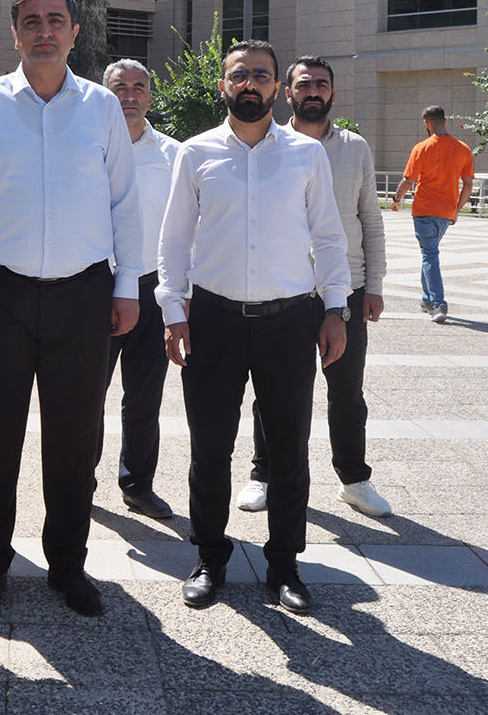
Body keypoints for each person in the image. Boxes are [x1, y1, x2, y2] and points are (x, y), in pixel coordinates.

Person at [0, 0, 142, 619]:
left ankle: (67, 565)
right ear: (15, 33)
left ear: (74, 33)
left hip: (83, 292)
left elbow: (124, 202)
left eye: (55, 20)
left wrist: (127, 285)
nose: (44, 31)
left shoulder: (101, 107)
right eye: (31, 21)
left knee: (74, 440)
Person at [157, 40, 350, 616]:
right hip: (212, 320)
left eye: (261, 76)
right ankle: (210, 558)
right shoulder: (195, 153)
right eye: (239, 75)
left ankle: (284, 564)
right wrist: (173, 312)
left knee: (289, 450)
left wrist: (335, 309)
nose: (250, 84)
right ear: (223, 85)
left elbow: (329, 236)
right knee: (209, 448)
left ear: (277, 88)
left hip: (289, 322)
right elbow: (174, 239)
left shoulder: (305, 155)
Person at [235, 57, 392, 520]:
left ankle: (354, 480)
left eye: (321, 85)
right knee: (273, 391)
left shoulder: (354, 148)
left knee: (347, 392)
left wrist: (374, 284)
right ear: (288, 93)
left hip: (345, 288)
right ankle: (264, 474)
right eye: (304, 85)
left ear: (332, 93)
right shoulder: (267, 144)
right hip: (283, 290)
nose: (313, 92)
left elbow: (370, 220)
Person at [100, 59, 180, 520]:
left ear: (150, 97)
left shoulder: (173, 154)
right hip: (96, 287)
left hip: (152, 287)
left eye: (138, 88)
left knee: (145, 397)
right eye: (119, 88)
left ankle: (137, 484)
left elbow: (186, 229)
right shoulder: (87, 148)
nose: (129, 96)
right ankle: (79, 480)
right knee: (86, 395)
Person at [392, 105, 475, 323]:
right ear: (445, 121)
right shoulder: (463, 148)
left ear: (426, 123)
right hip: (446, 211)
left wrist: (397, 198)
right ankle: (427, 299)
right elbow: (468, 185)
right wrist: (457, 210)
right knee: (430, 253)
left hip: (424, 210)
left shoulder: (422, 148)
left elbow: (408, 180)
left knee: (429, 254)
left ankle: (439, 303)